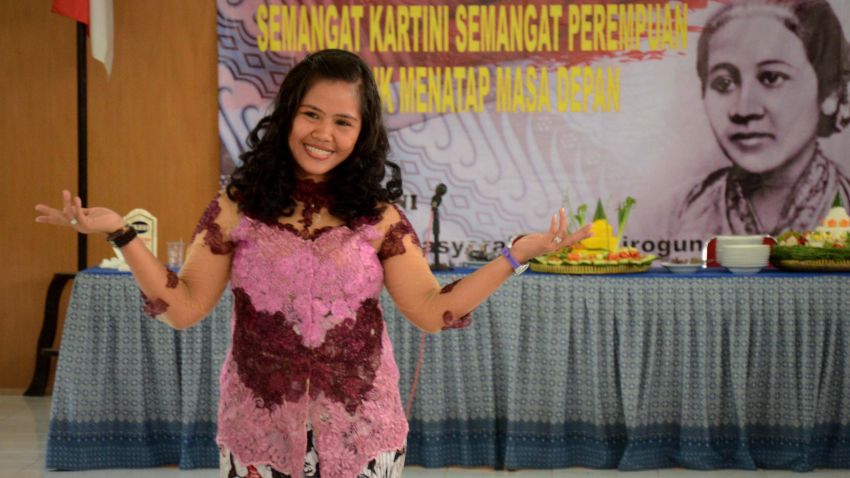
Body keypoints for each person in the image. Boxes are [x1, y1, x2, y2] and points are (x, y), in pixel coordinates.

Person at [35, 49, 592, 478]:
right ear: (288, 117)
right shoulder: (239, 205)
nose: (324, 134)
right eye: (311, 115)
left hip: (361, 432)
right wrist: (120, 231)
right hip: (258, 431)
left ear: (362, 131)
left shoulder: (380, 216)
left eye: (343, 122)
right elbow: (182, 308)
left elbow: (431, 310)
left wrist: (516, 254)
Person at [674, 0, 850, 237]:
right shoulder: (685, 214)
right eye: (723, 83)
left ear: (830, 93)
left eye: (771, 78)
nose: (744, 109)